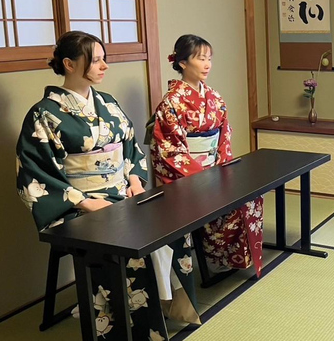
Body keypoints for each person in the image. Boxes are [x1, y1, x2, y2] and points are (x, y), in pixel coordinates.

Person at [16, 31, 199, 340]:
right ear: (69, 64)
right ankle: (131, 324)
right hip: (77, 206)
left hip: (121, 194)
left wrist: (133, 180)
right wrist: (84, 202)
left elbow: (130, 147)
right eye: (96, 60)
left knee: (176, 227)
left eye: (104, 59)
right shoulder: (43, 114)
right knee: (132, 243)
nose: (104, 66)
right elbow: (36, 174)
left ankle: (169, 307)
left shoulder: (108, 104)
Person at [151, 34, 263, 277]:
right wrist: (202, 177)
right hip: (187, 176)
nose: (207, 64)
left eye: (209, 59)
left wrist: (223, 169)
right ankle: (213, 257)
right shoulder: (171, 103)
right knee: (218, 203)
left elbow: (224, 135)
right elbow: (170, 149)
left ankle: (230, 258)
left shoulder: (214, 97)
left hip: (216, 168)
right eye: (201, 59)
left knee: (248, 197)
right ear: (182, 63)